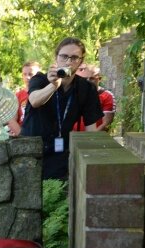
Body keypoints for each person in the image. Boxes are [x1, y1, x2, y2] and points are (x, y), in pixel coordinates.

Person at [21, 37, 103, 180]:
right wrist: (53, 85)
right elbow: (34, 101)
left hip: (60, 153)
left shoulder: (86, 88)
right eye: (64, 56)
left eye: (74, 58)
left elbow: (91, 130)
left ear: (80, 62)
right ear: (56, 58)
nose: (68, 62)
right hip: (31, 149)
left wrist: (93, 160)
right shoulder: (40, 79)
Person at [75, 64, 116, 132]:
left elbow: (106, 123)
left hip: (94, 138)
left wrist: (90, 137)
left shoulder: (107, 96)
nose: (88, 81)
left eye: (92, 78)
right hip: (71, 136)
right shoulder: (74, 93)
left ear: (99, 79)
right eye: (85, 79)